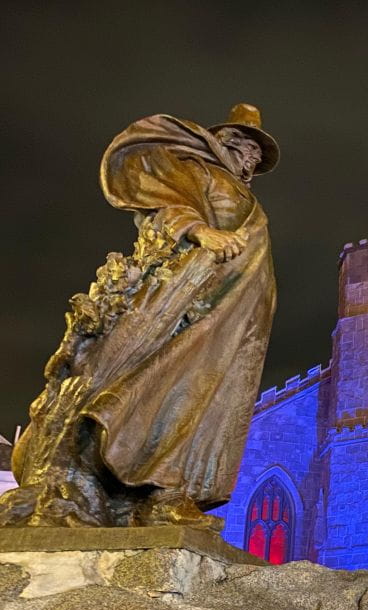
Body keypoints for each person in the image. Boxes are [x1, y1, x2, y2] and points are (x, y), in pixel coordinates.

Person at [0, 104, 278, 530]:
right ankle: (140, 485)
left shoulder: (246, 196)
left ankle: (168, 495)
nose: (250, 158)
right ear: (221, 140)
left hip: (238, 315)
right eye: (244, 146)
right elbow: (166, 202)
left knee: (205, 400)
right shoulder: (199, 170)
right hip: (195, 301)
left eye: (256, 155)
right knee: (167, 385)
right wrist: (202, 231)